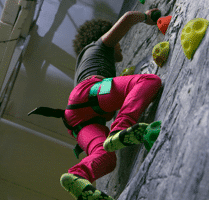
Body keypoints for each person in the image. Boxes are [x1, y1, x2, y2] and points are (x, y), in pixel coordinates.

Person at [60, 8, 162, 200]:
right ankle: (120, 129)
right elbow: (129, 18)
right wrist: (147, 17)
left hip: (75, 121)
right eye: (118, 43)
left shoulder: (86, 61)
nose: (120, 46)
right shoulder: (98, 46)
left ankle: (77, 176)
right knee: (148, 81)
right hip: (89, 93)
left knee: (106, 158)